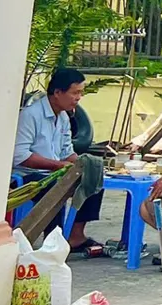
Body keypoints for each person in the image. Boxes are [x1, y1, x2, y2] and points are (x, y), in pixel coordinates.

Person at [13, 67, 108, 258]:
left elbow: (67, 152)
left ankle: (75, 236)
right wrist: (57, 165)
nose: (79, 97)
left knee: (93, 180)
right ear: (57, 92)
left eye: (80, 93)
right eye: (75, 92)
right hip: (27, 174)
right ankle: (51, 241)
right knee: (56, 189)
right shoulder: (31, 115)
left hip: (52, 172)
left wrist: (86, 164)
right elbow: (20, 156)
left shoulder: (64, 116)